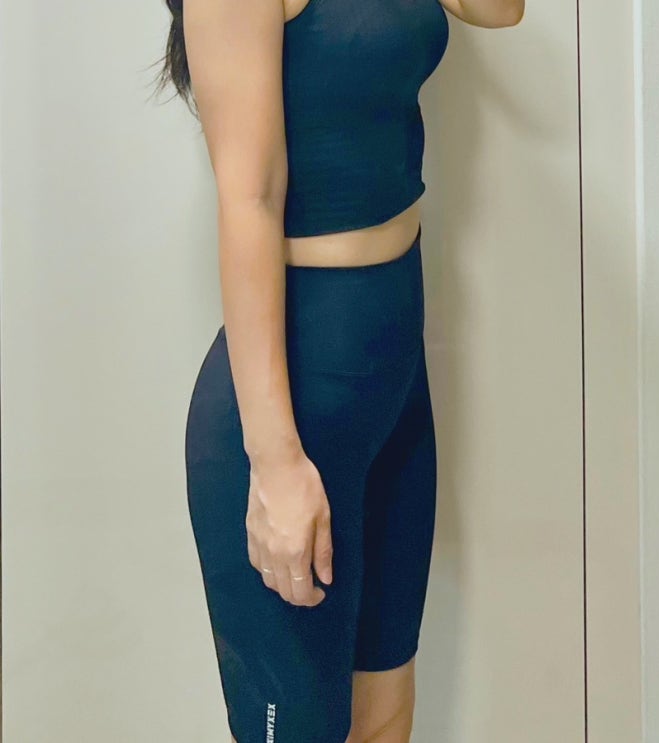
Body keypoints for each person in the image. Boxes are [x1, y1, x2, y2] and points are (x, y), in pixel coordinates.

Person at [153, 0, 524, 740]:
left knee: (384, 716)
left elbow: (500, 10)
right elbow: (250, 199)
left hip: (391, 381)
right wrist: (275, 464)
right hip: (298, 401)